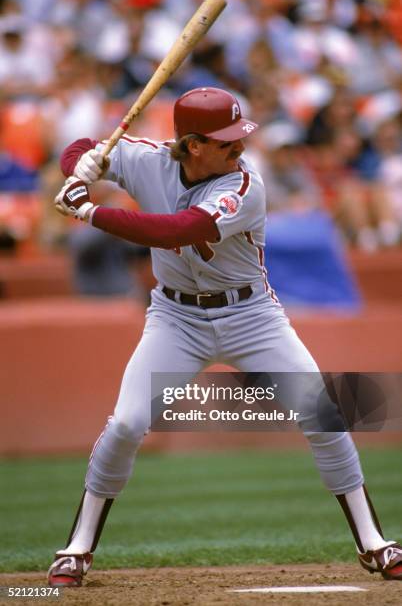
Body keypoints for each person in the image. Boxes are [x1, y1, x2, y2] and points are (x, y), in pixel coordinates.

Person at [47, 87, 402, 587]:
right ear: (192, 145)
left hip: (252, 316)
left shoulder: (245, 185)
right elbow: (84, 145)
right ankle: (77, 548)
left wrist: (89, 210)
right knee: (126, 424)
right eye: (226, 141)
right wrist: (79, 166)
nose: (239, 148)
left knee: (323, 415)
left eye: (239, 138)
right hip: (175, 318)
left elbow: (177, 229)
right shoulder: (149, 160)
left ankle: (374, 544)